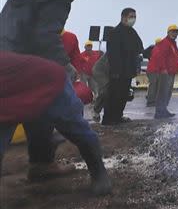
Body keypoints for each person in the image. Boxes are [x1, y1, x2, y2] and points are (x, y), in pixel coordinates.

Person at [0, 0, 97, 181]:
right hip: (23, 66)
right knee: (66, 111)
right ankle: (89, 171)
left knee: (21, 111)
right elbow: (46, 36)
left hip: (5, 61)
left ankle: (42, 164)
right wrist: (65, 67)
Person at [0, 51, 112, 195]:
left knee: (75, 127)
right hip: (10, 93)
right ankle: (40, 166)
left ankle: (99, 174)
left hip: (49, 80)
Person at [103, 8, 143, 126]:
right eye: (131, 16)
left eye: (134, 17)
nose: (133, 19)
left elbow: (139, 46)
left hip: (128, 70)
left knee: (123, 95)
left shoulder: (132, 32)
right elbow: (112, 54)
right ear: (123, 17)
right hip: (117, 71)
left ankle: (118, 116)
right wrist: (115, 70)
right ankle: (108, 118)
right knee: (114, 95)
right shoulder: (115, 32)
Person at [150, 25, 178, 119]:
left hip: (171, 71)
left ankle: (163, 110)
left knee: (167, 92)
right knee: (163, 92)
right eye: (173, 32)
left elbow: (174, 58)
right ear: (168, 32)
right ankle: (159, 112)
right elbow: (160, 56)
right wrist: (163, 69)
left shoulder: (172, 43)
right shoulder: (165, 43)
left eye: (176, 32)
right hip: (165, 72)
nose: (175, 34)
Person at [145, 37, 163, 107]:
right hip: (153, 70)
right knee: (154, 85)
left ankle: (152, 99)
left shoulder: (154, 49)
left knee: (155, 85)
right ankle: (150, 101)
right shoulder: (156, 50)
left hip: (153, 70)